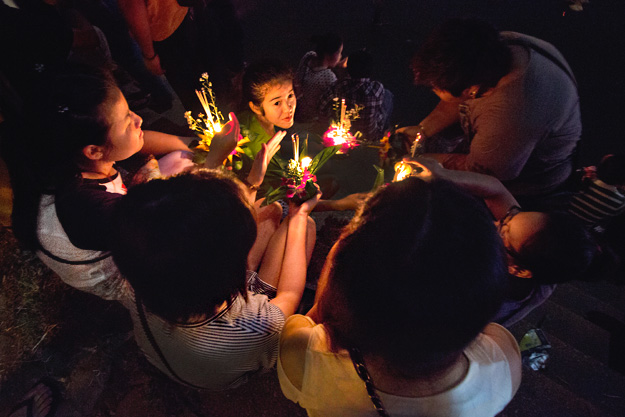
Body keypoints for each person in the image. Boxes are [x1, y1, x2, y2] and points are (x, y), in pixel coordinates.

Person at [278, 176, 521, 416]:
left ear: (345, 291)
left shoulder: (302, 352)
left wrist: (339, 251)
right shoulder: (503, 359)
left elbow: (320, 317)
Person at [4, 65, 239, 301]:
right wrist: (214, 161)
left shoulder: (74, 160)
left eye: (131, 111)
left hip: (128, 228)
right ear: (94, 151)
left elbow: (141, 140)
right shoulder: (88, 208)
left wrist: (198, 142)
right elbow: (170, 230)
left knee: (184, 158)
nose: (138, 119)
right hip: (124, 277)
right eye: (128, 121)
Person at [111, 169, 319, 390]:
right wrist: (300, 216)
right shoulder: (256, 327)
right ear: (235, 269)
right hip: (225, 366)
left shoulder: (138, 276)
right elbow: (290, 294)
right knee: (305, 229)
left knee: (271, 208)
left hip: (175, 348)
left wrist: (252, 183)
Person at [399, 18, 581, 207]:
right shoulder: (496, 47)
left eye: (434, 87)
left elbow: (481, 173)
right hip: (504, 147)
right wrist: (423, 130)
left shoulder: (511, 114)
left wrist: (420, 161)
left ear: (470, 90)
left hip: (525, 188)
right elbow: (458, 97)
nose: (432, 89)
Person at [407, 157, 597, 326]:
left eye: (504, 231)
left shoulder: (478, 296)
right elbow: (496, 190)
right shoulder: (534, 249)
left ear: (519, 270)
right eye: (512, 215)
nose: (496, 221)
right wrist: (441, 174)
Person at [319, 49, 393, 141]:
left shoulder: (339, 86)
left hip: (344, 134)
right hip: (371, 136)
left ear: (349, 69)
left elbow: (322, 105)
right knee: (388, 95)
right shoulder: (377, 88)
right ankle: (386, 131)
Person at [295, 33, 347, 123]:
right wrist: (343, 71)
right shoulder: (328, 77)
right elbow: (341, 93)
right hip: (309, 118)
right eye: (339, 53)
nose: (341, 56)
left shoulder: (309, 56)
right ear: (331, 55)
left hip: (297, 106)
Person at [568, 154, 625, 230]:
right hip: (580, 231)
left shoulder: (586, 179)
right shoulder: (619, 202)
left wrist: (585, 170)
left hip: (557, 219)